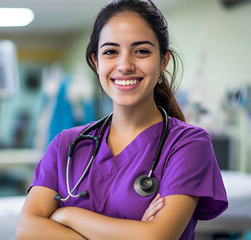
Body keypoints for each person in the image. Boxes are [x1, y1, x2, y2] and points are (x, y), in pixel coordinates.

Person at [15, 0, 228, 239]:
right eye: (111, 52)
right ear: (97, 62)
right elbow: (26, 231)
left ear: (163, 61)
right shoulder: (66, 146)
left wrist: (66, 217)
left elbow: (156, 237)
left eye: (141, 51)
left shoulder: (187, 144)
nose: (125, 65)